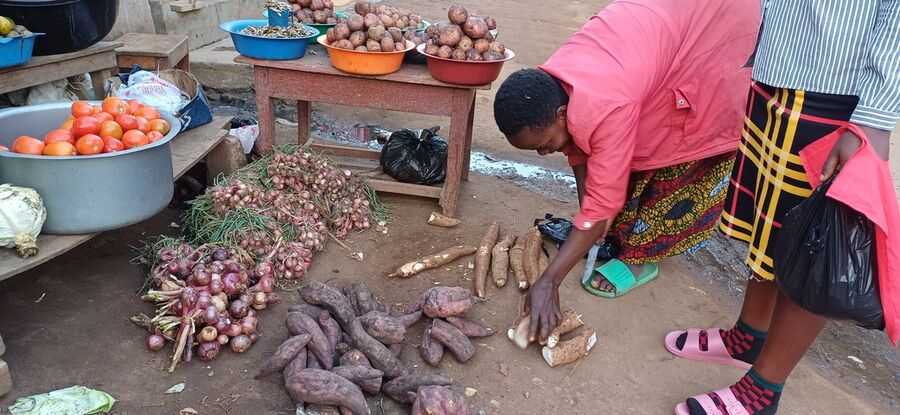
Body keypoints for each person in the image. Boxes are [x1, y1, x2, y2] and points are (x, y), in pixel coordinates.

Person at [665, 1, 900, 414]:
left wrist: (873, 118)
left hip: (837, 86)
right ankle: (748, 337)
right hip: (779, 68)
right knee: (770, 226)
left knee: (816, 244)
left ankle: (762, 391)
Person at [492, 0, 759, 338]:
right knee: (611, 172)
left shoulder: (606, 105)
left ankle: (641, 257)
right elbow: (578, 155)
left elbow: (602, 198)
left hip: (718, 39)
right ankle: (618, 233)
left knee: (675, 154)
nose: (545, 153)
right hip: (669, 25)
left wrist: (549, 281)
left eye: (544, 144)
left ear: (562, 114)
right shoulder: (555, 82)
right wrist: (589, 216)